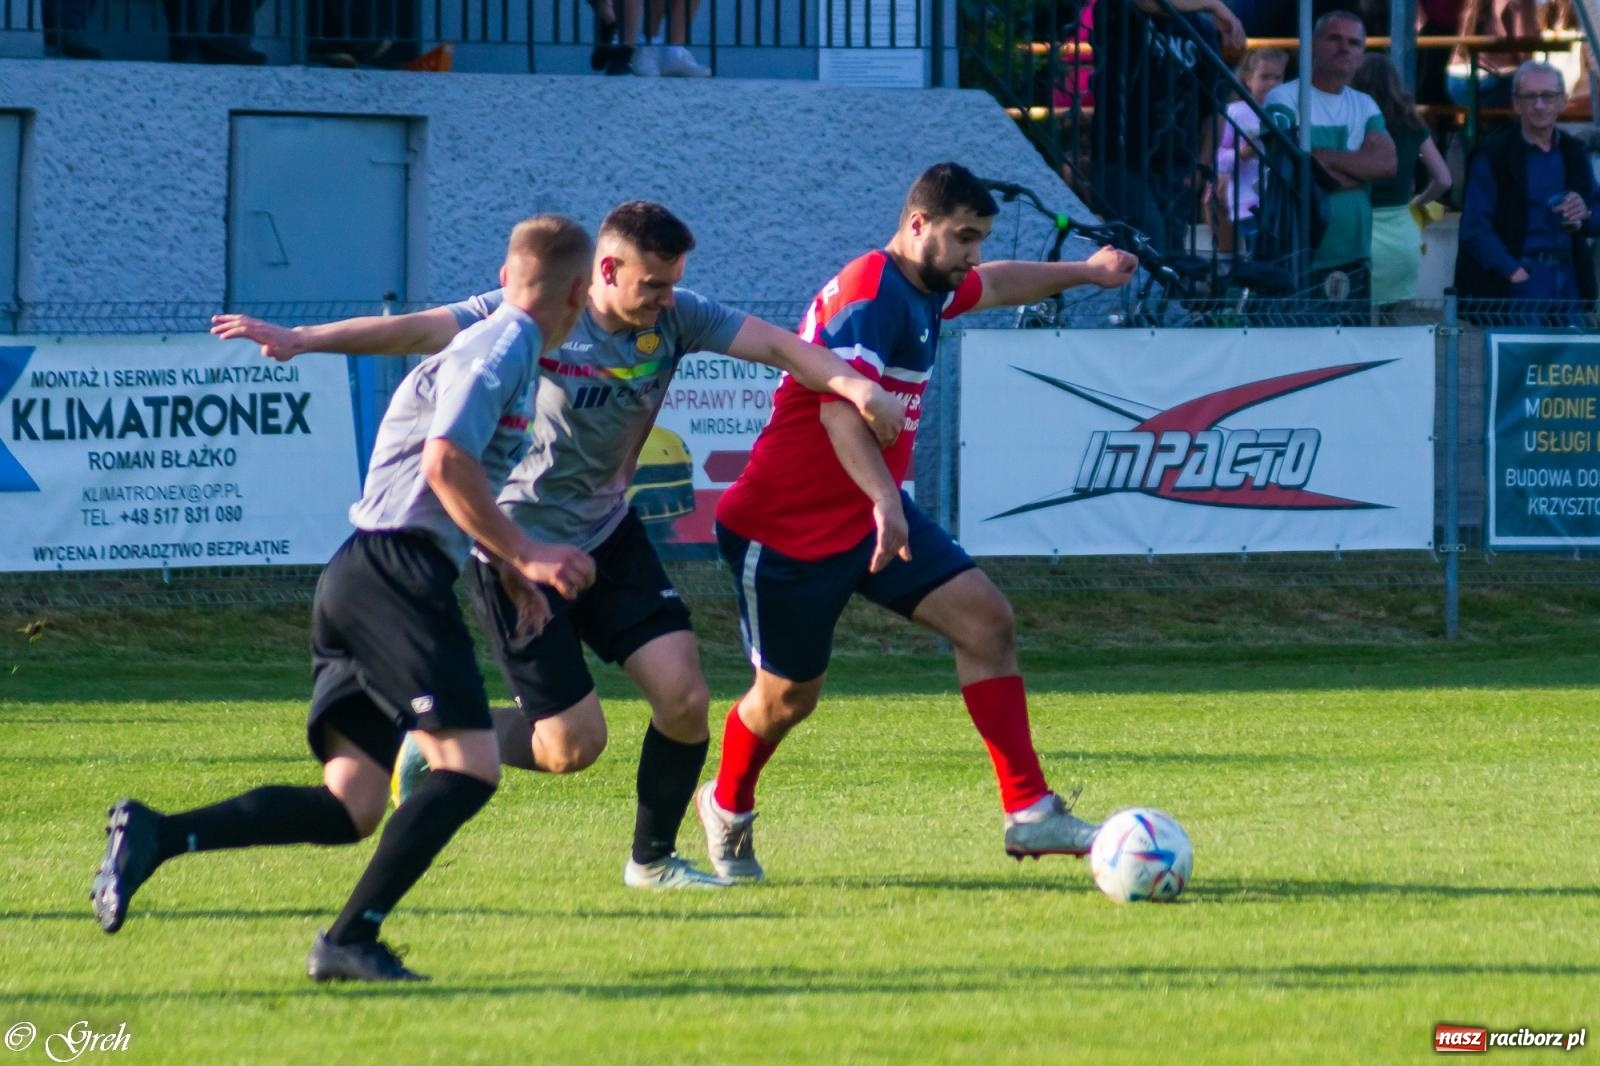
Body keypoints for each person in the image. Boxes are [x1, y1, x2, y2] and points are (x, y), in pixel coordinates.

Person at [211, 201, 905, 890]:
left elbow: (783, 347)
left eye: (672, 284)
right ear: (604, 270)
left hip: (608, 535)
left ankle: (653, 861)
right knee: (571, 748)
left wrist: (853, 385)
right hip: (515, 550)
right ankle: (433, 738)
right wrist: (305, 338)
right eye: (653, 285)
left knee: (685, 696)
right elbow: (416, 331)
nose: (666, 300)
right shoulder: (527, 319)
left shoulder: (679, 317)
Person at [90, 216, 597, 982]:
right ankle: (350, 939)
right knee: (468, 770)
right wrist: (528, 549)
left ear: (504, 273)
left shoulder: (497, 336)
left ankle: (156, 834)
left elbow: (445, 454)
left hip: (358, 573)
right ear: (582, 291)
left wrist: (507, 569)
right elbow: (445, 461)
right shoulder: (507, 345)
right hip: (397, 574)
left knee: (352, 805)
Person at [694, 162, 1138, 884]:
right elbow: (840, 409)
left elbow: (994, 285)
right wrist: (886, 500)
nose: (972, 252)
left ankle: (1030, 810)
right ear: (917, 224)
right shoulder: (873, 293)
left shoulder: (926, 286)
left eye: (980, 238)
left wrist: (1084, 273)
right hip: (786, 529)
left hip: (873, 514)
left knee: (986, 622)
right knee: (787, 699)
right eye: (964, 236)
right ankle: (726, 803)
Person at [1090, 0, 1246, 254]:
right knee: (1151, 245)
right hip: (1121, 157)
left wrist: (1201, 167)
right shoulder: (1123, 10)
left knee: (1170, 260)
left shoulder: (1201, 29)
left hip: (1177, 167)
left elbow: (1214, 108)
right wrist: (1214, 5)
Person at [1263, 10, 1396, 305]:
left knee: (1353, 348)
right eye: (1334, 38)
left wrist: (1326, 159)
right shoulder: (1283, 98)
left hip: (1355, 253)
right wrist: (1359, 168)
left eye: (1354, 42)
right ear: (1311, 45)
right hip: (1298, 254)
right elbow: (1296, 169)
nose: (1344, 47)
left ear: (1362, 54)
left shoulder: (1365, 104)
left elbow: (1387, 164)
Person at [1455, 60, 1600, 320]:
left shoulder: (1575, 152)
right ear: (1516, 103)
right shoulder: (1493, 155)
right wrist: (1512, 271)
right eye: (1530, 96)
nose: (1540, 105)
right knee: (1520, 359)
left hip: (1569, 280)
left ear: (1563, 101)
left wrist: (1585, 213)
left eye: (1548, 96)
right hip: (1519, 279)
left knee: (1571, 359)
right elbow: (1474, 228)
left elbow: (1597, 212)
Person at [1350, 53, 1453, 307]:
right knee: (1394, 330)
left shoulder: (1353, 121)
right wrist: (1419, 201)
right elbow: (1443, 179)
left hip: (1359, 232)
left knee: (1354, 327)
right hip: (1402, 235)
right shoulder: (1412, 123)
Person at [1215, 47, 1288, 254]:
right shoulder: (1234, 113)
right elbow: (1217, 156)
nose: (1273, 83)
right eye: (1265, 77)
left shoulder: (1285, 113)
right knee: (1257, 252)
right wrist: (1241, 154)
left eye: (1278, 77)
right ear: (1248, 79)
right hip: (1246, 200)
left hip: (1278, 201)